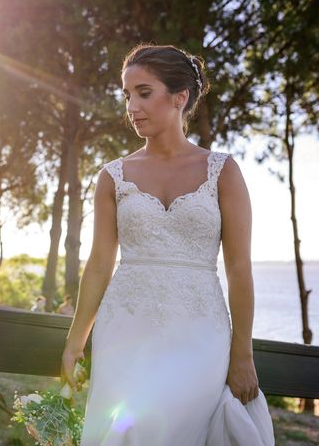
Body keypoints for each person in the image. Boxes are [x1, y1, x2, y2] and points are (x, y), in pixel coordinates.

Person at [60, 44, 274, 445]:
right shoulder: (113, 177)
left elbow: (239, 269)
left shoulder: (223, 171)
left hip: (200, 332)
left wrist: (242, 354)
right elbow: (100, 263)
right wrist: (75, 341)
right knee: (130, 431)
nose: (132, 106)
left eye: (144, 92)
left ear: (180, 97)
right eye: (127, 95)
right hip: (125, 328)